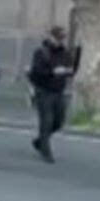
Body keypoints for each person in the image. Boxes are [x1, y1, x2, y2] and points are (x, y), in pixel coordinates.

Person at [28, 26, 78, 163]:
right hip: (43, 90)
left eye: (62, 38)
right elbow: (35, 72)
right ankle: (46, 151)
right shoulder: (41, 52)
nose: (60, 41)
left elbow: (71, 69)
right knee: (46, 121)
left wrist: (68, 71)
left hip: (58, 91)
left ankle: (39, 141)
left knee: (59, 121)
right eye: (57, 38)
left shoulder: (65, 53)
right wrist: (53, 72)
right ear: (50, 37)